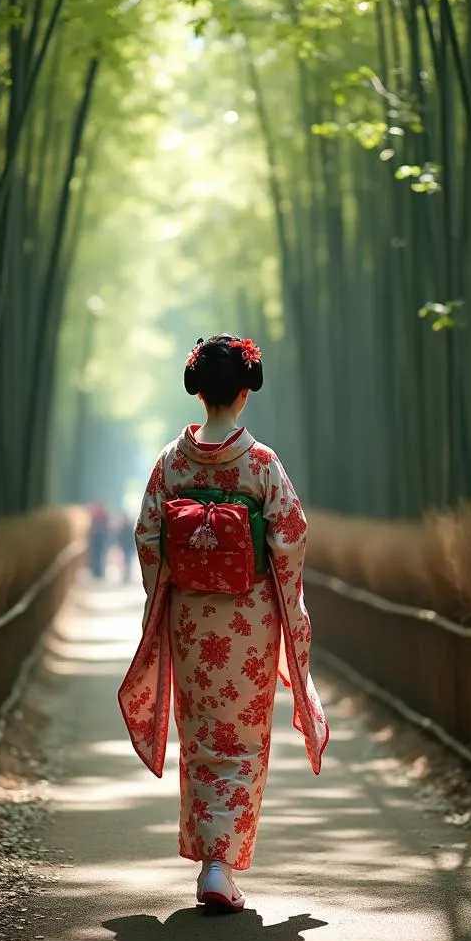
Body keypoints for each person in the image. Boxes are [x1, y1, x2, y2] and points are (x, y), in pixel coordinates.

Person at [118, 334, 329, 911]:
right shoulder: (261, 463)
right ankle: (220, 867)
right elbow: (289, 538)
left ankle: (212, 863)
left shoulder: (171, 462)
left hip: (191, 621)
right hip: (250, 625)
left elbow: (148, 537)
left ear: (199, 392)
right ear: (244, 392)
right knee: (242, 741)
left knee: (203, 737)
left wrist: (174, 589)